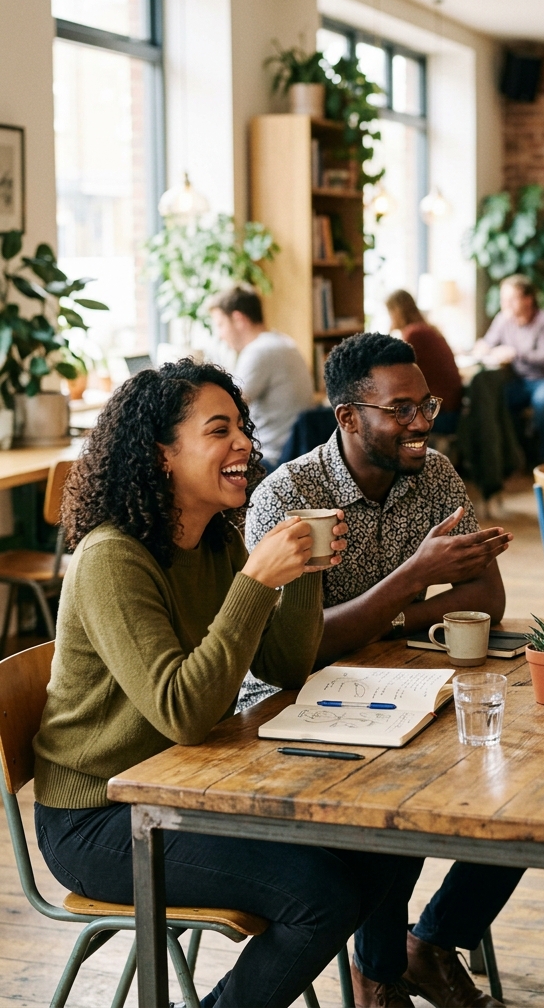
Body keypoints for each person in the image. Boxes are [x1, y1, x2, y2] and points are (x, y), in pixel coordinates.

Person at [31, 360, 405, 1008]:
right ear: (163, 454)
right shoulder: (112, 558)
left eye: (241, 426)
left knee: (380, 846)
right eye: (218, 429)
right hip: (101, 817)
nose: (242, 444)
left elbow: (283, 668)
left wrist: (304, 574)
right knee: (321, 897)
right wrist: (257, 581)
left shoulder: (213, 542)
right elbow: (184, 711)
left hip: (185, 783)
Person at [243, 332, 518, 1007]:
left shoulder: (435, 476)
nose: (422, 423)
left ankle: (429, 943)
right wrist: (412, 581)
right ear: (348, 416)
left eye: (426, 405)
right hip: (280, 716)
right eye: (401, 410)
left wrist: (387, 622)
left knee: (513, 791)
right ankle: (380, 974)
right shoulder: (290, 499)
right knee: (401, 799)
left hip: (390, 686)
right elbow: (293, 652)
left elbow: (487, 597)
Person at [210, 285, 315, 468]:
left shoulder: (258, 352)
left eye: (220, 325)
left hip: (272, 459)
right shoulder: (282, 342)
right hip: (296, 452)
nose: (220, 335)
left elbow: (227, 406)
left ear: (238, 319)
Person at [474, 274, 544, 462]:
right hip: (521, 382)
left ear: (528, 299)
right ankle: (516, 455)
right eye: (503, 299)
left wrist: (515, 353)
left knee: (542, 402)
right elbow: (487, 343)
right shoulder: (503, 319)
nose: (505, 303)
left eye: (511, 299)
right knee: (500, 399)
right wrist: (483, 347)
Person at [386, 288, 463, 434]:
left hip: (440, 413)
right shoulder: (427, 329)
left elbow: (395, 375)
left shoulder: (414, 334)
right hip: (451, 409)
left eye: (389, 313)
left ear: (396, 312)